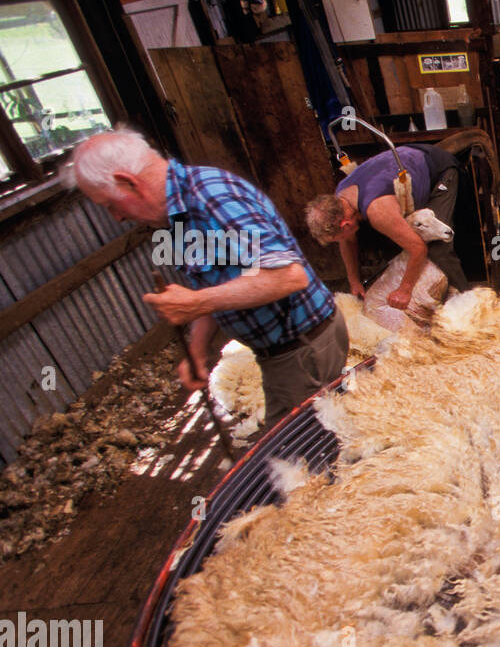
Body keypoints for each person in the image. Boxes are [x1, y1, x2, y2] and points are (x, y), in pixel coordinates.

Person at [69, 127, 348, 427]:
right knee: (306, 443)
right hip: (286, 352)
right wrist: (197, 351)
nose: (117, 218)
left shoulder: (211, 198)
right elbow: (216, 285)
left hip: (304, 350)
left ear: (128, 183)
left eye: (110, 205)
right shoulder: (178, 216)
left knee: (302, 456)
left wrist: (197, 302)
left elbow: (289, 278)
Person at [305, 144, 468, 311]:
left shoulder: (378, 211)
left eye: (337, 238)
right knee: (394, 240)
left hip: (439, 171)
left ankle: (469, 304)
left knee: (438, 250)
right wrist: (354, 281)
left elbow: (418, 249)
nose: (341, 240)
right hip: (406, 163)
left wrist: (405, 290)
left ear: (345, 224)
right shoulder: (341, 198)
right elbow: (347, 242)